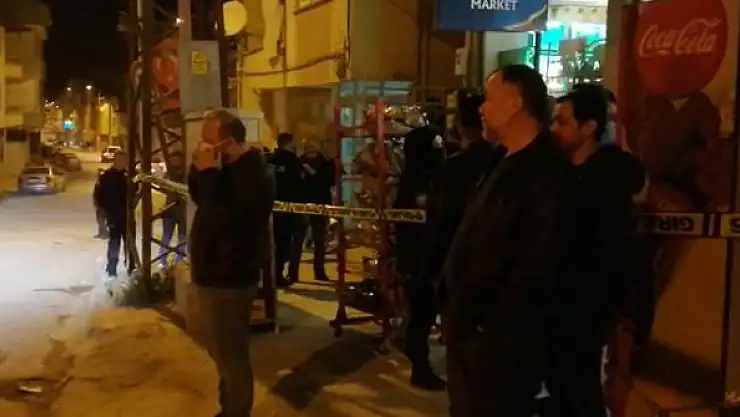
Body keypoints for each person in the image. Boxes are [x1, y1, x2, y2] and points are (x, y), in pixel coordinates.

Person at [443, 65, 570, 417]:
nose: (482, 109)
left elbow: (537, 260)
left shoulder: (546, 171)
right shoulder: (500, 160)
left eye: (489, 99)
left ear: (515, 103)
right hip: (472, 330)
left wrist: (490, 324)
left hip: (501, 343)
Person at [547, 84, 645, 417]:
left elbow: (613, 247)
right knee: (562, 383)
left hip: (585, 302)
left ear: (589, 127)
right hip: (560, 300)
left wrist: (613, 302)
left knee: (580, 385)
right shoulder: (564, 175)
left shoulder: (605, 179)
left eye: (562, 121)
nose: (554, 129)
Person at [188, 109, 274, 417]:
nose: (203, 146)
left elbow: (224, 220)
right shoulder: (223, 167)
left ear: (228, 142)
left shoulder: (254, 174)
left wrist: (209, 173)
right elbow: (201, 199)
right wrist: (199, 170)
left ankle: (237, 411)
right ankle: (229, 406)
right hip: (211, 272)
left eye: (208, 141)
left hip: (231, 276)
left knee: (231, 354)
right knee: (219, 350)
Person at [289, 137, 335, 282]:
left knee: (320, 240)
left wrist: (313, 174)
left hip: (320, 203)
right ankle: (293, 272)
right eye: (307, 146)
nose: (309, 148)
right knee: (298, 239)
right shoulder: (298, 162)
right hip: (302, 204)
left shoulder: (326, 163)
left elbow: (330, 181)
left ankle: (319, 271)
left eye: (312, 145)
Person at [268, 132, 304, 287]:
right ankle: (278, 275)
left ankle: (270, 276)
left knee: (273, 243)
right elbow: (298, 184)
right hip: (289, 208)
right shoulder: (293, 161)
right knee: (284, 244)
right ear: (289, 142)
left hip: (271, 207)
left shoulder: (270, 159)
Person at [96, 151, 130, 277]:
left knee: (129, 244)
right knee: (114, 243)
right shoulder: (106, 177)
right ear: (115, 161)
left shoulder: (128, 176)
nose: (123, 163)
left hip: (127, 215)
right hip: (114, 215)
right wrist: (103, 215)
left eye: (124, 160)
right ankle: (111, 268)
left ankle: (131, 266)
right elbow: (99, 197)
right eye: (121, 160)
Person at [158, 151, 187, 268]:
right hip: (173, 210)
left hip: (178, 210)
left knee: (179, 237)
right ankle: (166, 261)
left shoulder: (181, 174)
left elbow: (162, 187)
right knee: (170, 237)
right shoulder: (172, 174)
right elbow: (161, 186)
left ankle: (175, 261)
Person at [93, 168, 108, 239]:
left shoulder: (102, 184)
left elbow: (99, 194)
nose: (97, 175)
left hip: (103, 204)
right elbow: (95, 194)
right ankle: (101, 233)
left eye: (98, 174)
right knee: (99, 219)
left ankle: (104, 233)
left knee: (101, 219)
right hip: (100, 204)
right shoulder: (98, 183)